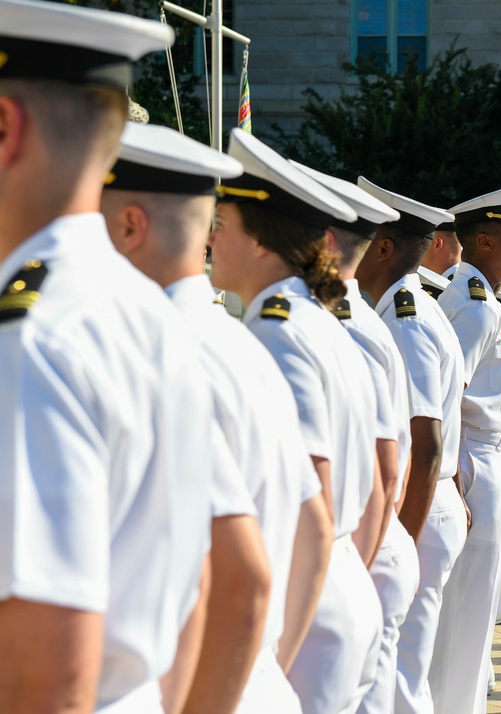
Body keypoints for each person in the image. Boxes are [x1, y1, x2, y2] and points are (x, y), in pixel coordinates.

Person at [0, 3, 215, 711]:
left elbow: (49, 670)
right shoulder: (146, 311)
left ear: (5, 129)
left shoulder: (33, 338)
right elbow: (195, 584)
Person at [103, 123, 331, 713]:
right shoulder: (238, 342)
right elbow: (314, 526)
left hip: (205, 683)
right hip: (243, 676)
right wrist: (265, 670)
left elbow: (238, 576)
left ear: (129, 225)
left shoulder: (168, 349)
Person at [209, 129, 382, 714]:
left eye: (223, 224)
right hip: (337, 582)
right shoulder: (317, 323)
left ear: (261, 242)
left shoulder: (279, 334)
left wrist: (271, 665)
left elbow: (316, 506)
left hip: (309, 600)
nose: (210, 238)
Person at [294, 164, 426, 714]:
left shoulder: (345, 323)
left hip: (362, 547)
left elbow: (385, 470)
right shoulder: (348, 318)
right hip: (365, 549)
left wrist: (358, 568)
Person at [353, 177, 468, 714]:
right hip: (421, 501)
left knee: (399, 680)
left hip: (415, 507)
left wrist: (403, 540)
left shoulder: (407, 319)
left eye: (357, 236)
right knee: (401, 672)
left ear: (381, 247)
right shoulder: (407, 308)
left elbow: (427, 443)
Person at [432, 183, 501, 714]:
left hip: (480, 459)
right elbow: (447, 398)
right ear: (484, 241)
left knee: (467, 609)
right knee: (468, 611)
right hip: (475, 461)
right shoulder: (474, 308)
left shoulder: (477, 296)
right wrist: (452, 480)